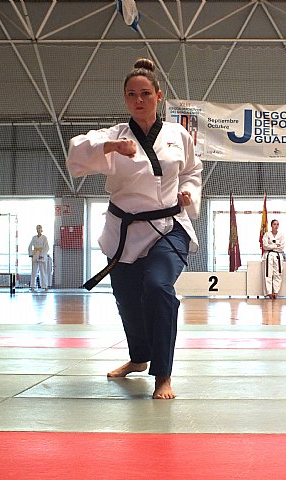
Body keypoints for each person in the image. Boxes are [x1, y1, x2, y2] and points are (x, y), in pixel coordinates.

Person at [66, 58, 202, 400]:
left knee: (158, 289)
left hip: (168, 226)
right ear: (125, 99)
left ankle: (163, 375)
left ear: (159, 96)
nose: (138, 100)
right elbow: (76, 151)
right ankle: (139, 358)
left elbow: (191, 171)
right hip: (124, 231)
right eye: (131, 95)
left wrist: (189, 194)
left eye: (145, 93)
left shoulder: (177, 135)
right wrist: (111, 148)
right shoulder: (115, 134)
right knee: (127, 300)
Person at [261, 219, 285, 299]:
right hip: (268, 255)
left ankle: (276, 291)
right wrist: (276, 245)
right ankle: (269, 292)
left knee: (277, 274)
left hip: (277, 256)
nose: (276, 226)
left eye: (277, 224)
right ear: (271, 225)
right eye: (274, 224)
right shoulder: (267, 234)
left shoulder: (281, 235)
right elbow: (265, 246)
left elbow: (281, 247)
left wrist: (271, 245)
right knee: (268, 274)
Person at [28, 225, 50, 291]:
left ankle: (45, 286)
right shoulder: (34, 237)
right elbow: (30, 246)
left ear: (41, 229)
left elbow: (47, 247)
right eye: (37, 228)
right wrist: (31, 254)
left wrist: (42, 254)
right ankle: (32, 286)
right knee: (34, 271)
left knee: (43, 271)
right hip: (35, 254)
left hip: (41, 255)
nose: (38, 230)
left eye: (39, 228)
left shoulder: (44, 238)